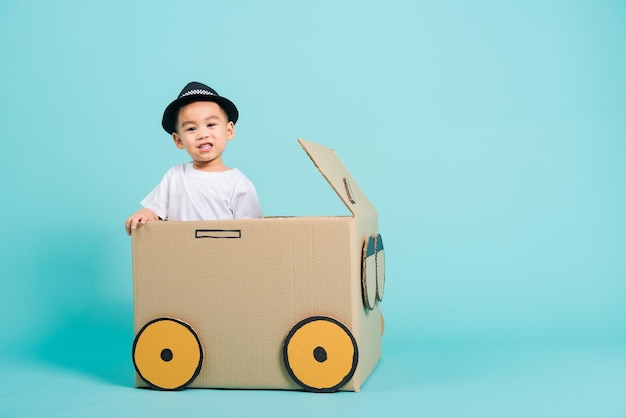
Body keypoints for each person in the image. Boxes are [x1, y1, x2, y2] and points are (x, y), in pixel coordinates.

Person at [125, 81, 263, 235]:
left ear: (229, 130)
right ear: (179, 140)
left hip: (224, 255)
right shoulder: (175, 176)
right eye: (191, 128)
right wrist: (145, 214)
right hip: (183, 254)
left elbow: (252, 233)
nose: (202, 134)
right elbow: (154, 211)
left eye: (210, 124)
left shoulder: (238, 184)